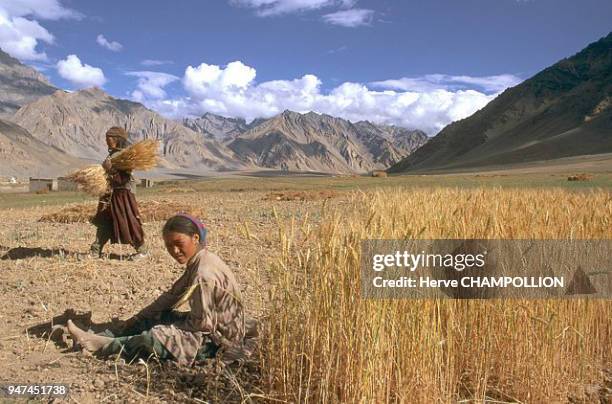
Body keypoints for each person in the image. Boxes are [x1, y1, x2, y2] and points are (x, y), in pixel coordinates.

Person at [67, 214, 257, 365]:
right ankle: (103, 336)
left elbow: (203, 325)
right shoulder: (201, 260)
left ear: (195, 238)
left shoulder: (203, 273)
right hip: (210, 329)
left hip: (217, 343)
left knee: (154, 338)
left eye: (179, 244)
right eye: (169, 246)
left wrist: (167, 328)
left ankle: (101, 345)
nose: (174, 251)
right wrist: (138, 318)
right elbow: (171, 297)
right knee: (156, 317)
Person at [86, 126, 148, 260]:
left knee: (128, 221)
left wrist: (110, 171)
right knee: (105, 221)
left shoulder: (125, 156)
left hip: (122, 194)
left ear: (117, 139)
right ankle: (95, 250)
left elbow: (124, 178)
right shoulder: (113, 154)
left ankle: (142, 250)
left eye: (108, 138)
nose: (106, 141)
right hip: (110, 194)